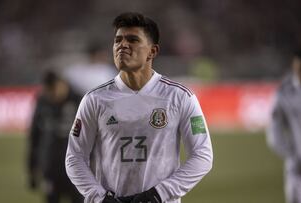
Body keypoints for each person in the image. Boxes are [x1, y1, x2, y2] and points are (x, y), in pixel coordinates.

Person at [65, 12, 213, 203]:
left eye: (132, 40)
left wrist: (159, 194)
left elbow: (202, 155)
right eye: (118, 40)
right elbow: (75, 157)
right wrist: (99, 197)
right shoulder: (94, 99)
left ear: (153, 51)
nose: (122, 45)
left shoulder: (180, 97)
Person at [27, 70, 83, 203]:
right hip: (50, 167)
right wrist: (32, 168)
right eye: (48, 91)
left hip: (77, 169)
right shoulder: (42, 102)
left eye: (54, 90)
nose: (52, 95)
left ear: (62, 84)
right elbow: (35, 136)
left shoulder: (80, 100)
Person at [266, 46, 301, 203]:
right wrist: (292, 156)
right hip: (299, 170)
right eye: (299, 66)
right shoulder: (285, 93)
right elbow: (274, 132)